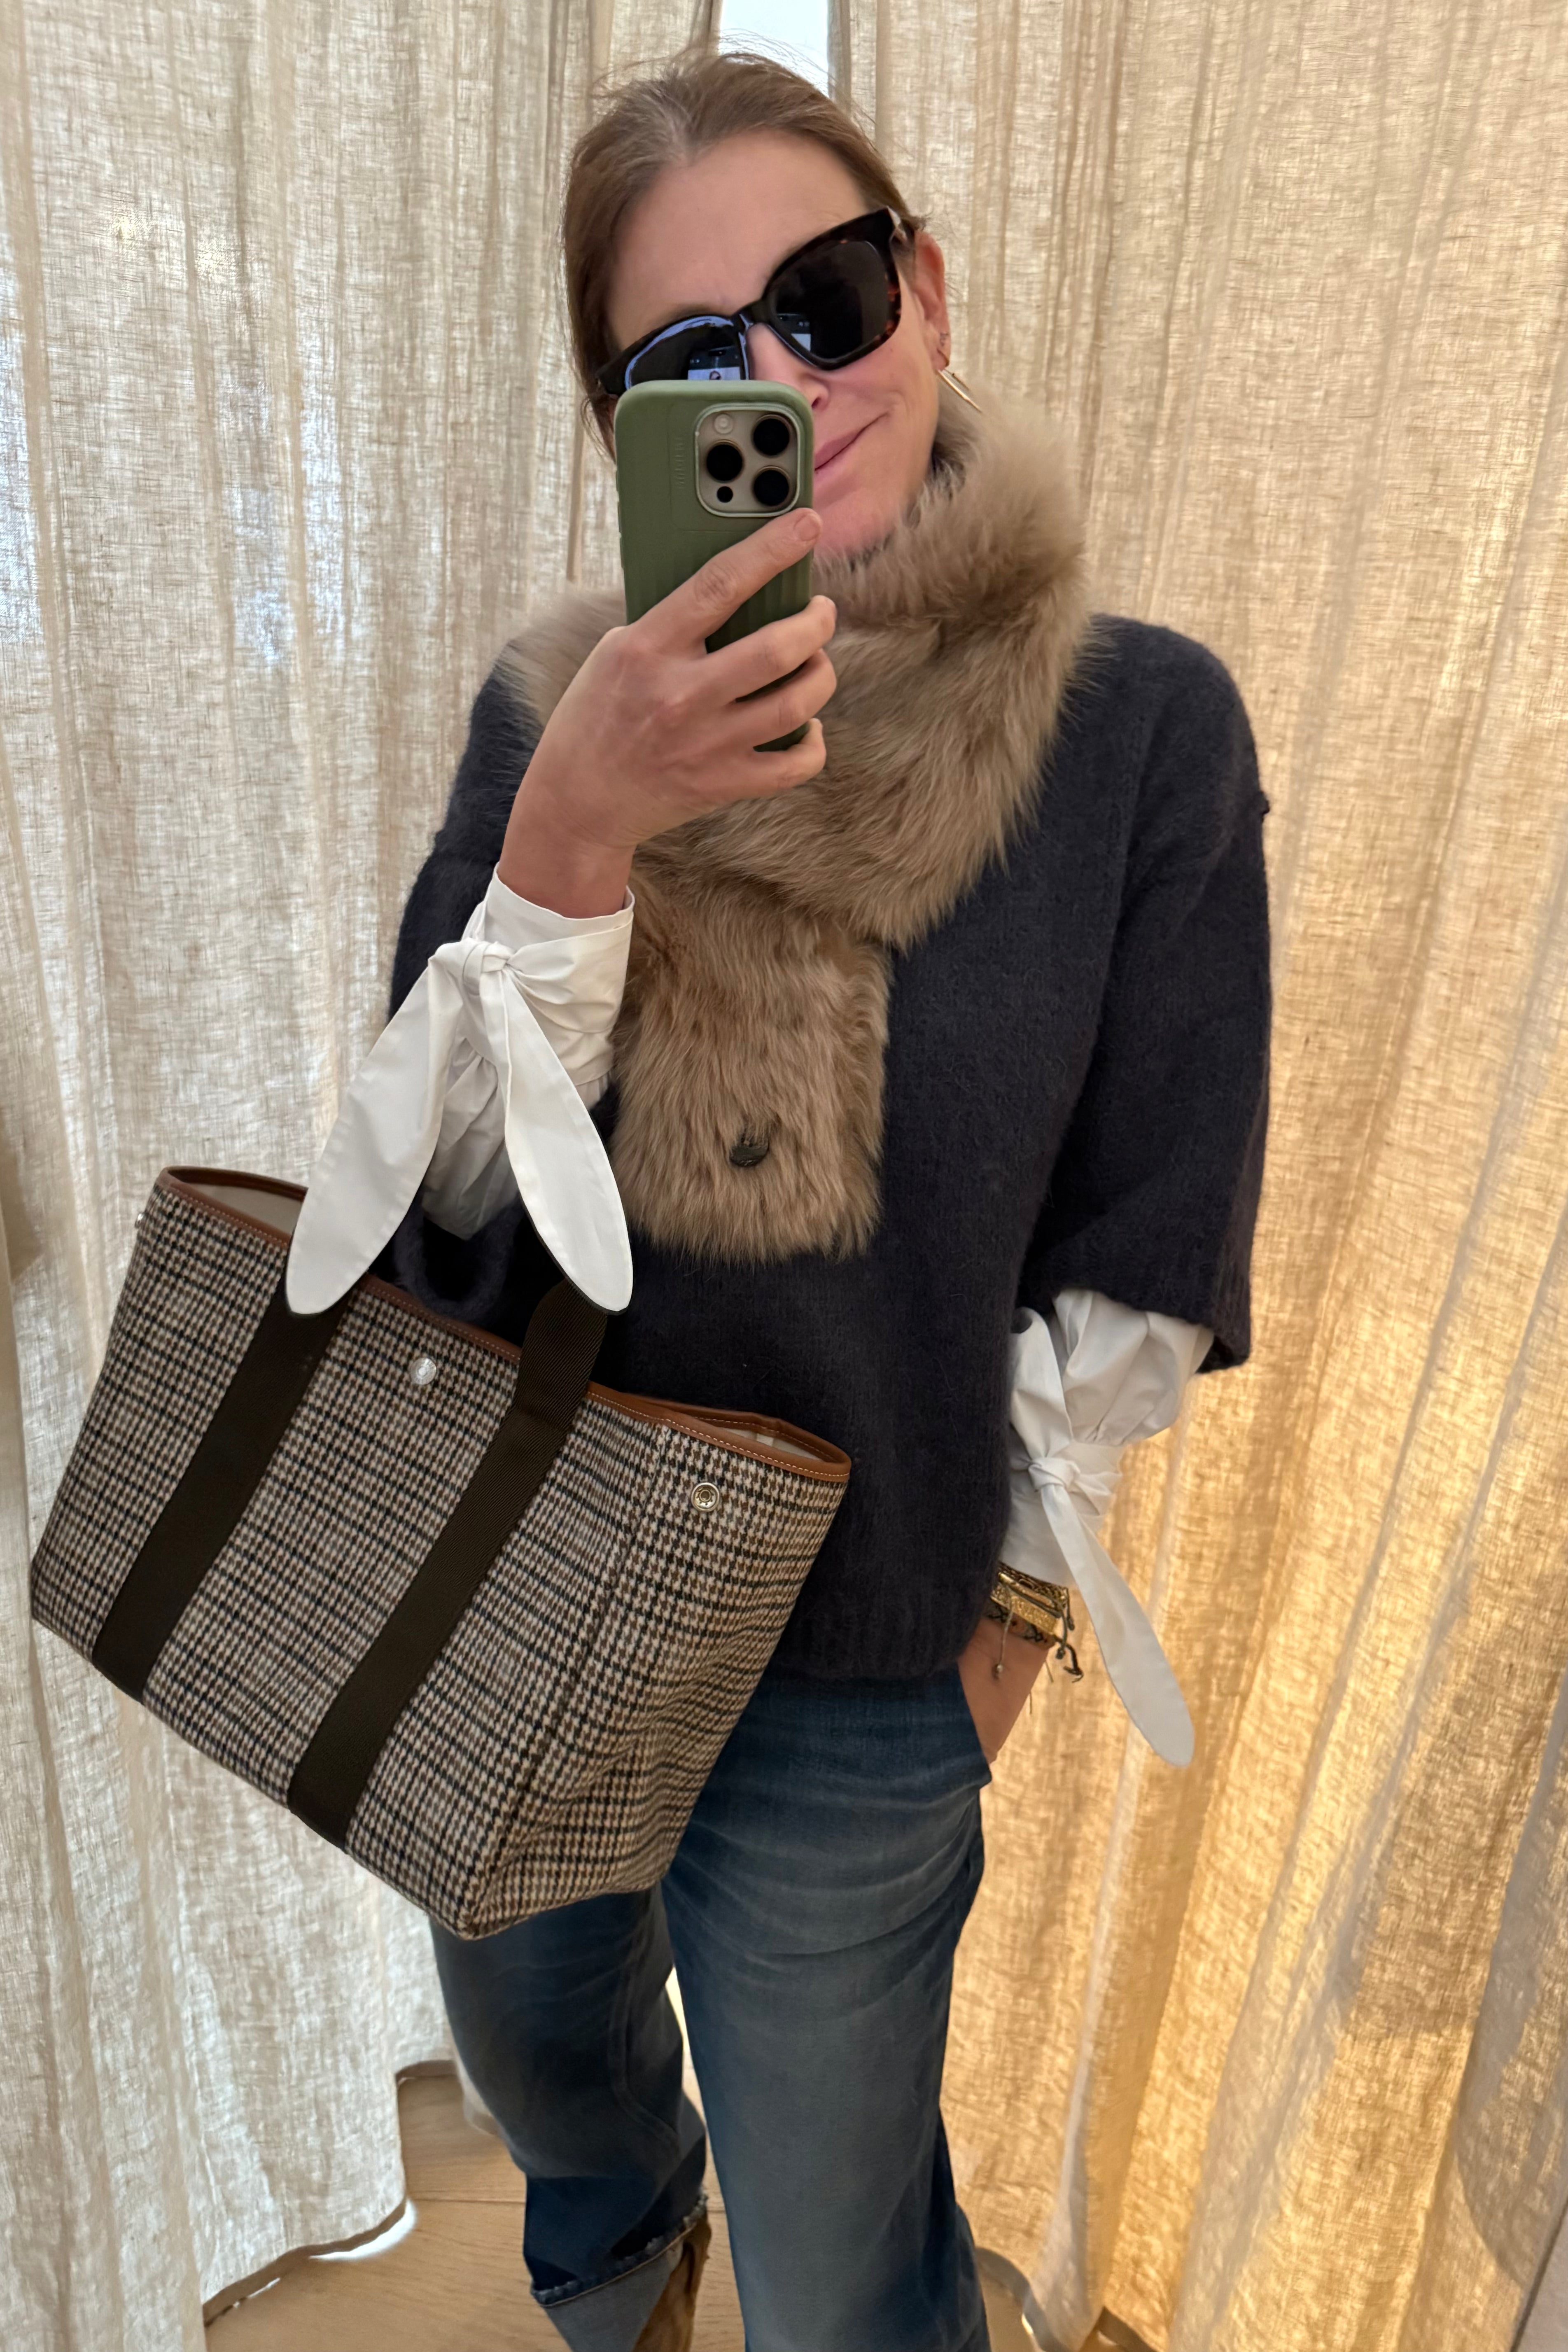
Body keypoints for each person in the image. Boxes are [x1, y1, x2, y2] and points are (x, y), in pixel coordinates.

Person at [318, 47, 1272, 2352]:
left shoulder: (1140, 731)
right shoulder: (560, 715)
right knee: (540, 2057)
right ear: (621, 427)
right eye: (687, 361)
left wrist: (1002, 1629)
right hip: (532, 1582)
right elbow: (432, 1220)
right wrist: (576, 836)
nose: (782, 380)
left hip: (869, 1652)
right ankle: (623, 2258)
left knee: (844, 2266)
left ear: (923, 288)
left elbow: (1145, 1234)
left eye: (823, 300)